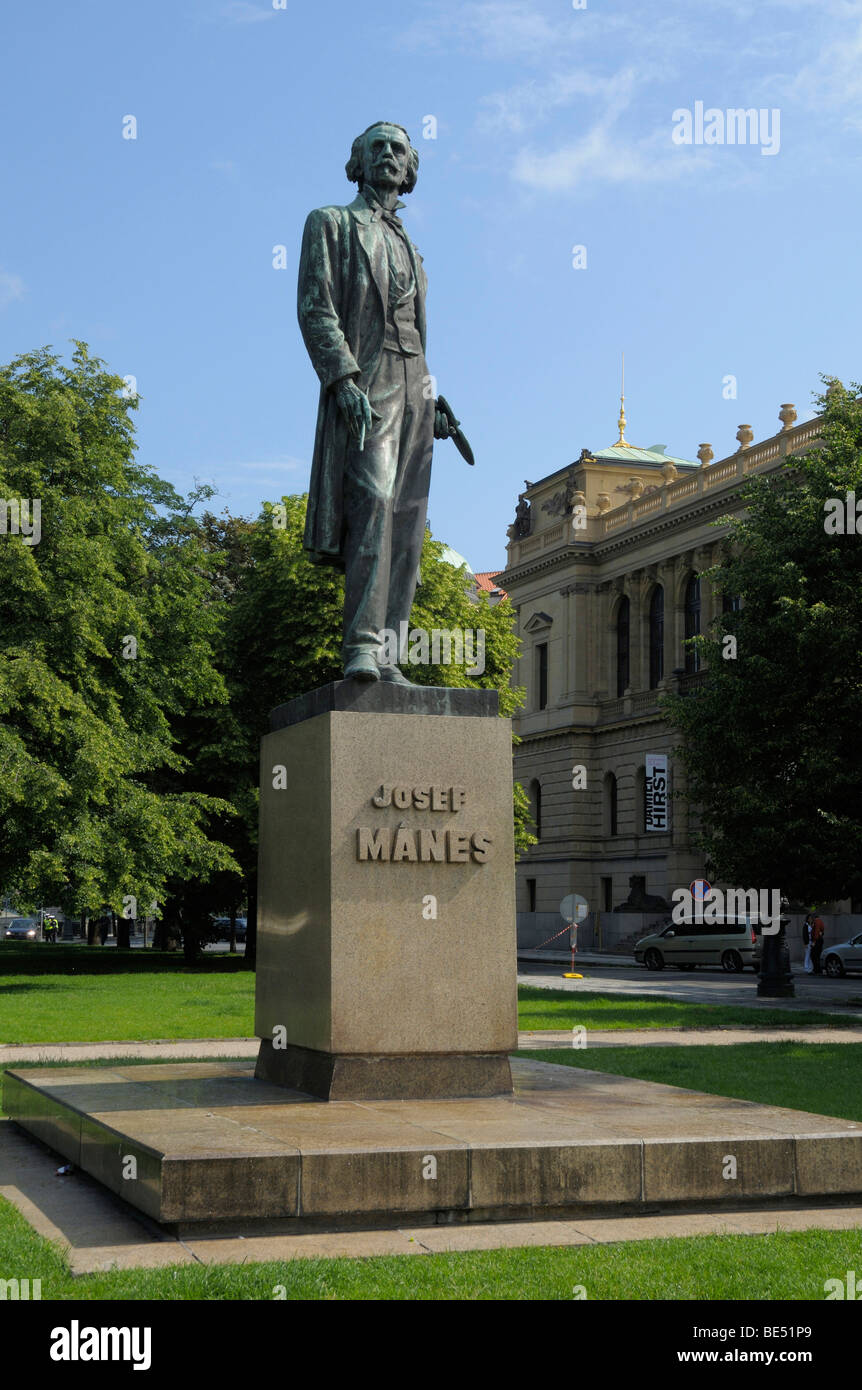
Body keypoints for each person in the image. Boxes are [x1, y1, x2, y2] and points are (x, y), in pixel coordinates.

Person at [297, 121, 455, 682]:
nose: (389, 156)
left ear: (409, 168)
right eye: (378, 148)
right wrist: (343, 382)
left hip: (416, 382)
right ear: (358, 163)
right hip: (369, 377)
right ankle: (361, 647)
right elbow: (318, 311)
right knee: (374, 504)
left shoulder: (412, 244)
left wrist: (432, 396)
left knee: (410, 521)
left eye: (399, 150)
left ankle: (390, 656)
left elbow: (413, 328)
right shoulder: (332, 223)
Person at [810, 910, 826, 975]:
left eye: (812, 917)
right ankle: (818, 969)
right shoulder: (821, 921)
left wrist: (814, 941)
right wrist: (821, 934)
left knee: (813, 955)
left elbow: (816, 932)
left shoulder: (816, 921)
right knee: (817, 955)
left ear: (814, 917)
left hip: (817, 940)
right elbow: (822, 931)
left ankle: (817, 970)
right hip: (820, 940)